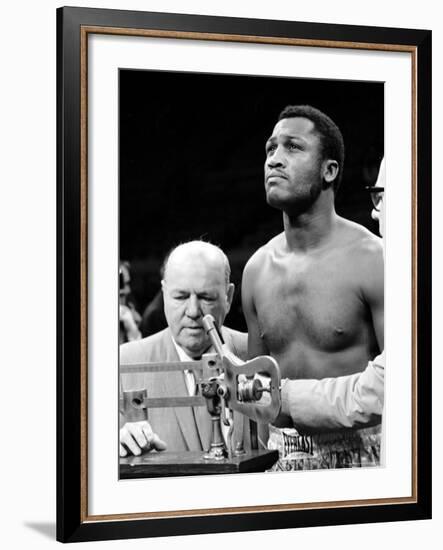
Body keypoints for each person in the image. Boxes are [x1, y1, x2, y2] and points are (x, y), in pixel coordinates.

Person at [242, 105, 384, 469]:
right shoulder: (257, 270)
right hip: (278, 457)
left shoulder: (373, 259)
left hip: (365, 457)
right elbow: (257, 395)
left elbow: (402, 383)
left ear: (329, 170)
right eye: (270, 148)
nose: (274, 159)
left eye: (292, 147)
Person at [278, 158, 385, 434]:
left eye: (383, 196)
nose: (376, 212)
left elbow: (387, 387)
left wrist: (285, 396)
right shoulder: (258, 267)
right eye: (376, 197)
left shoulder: (375, 260)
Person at [119, 241, 248, 457]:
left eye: (206, 297)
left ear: (229, 297)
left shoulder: (257, 356)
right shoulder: (124, 363)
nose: (193, 311)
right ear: (164, 293)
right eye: (180, 297)